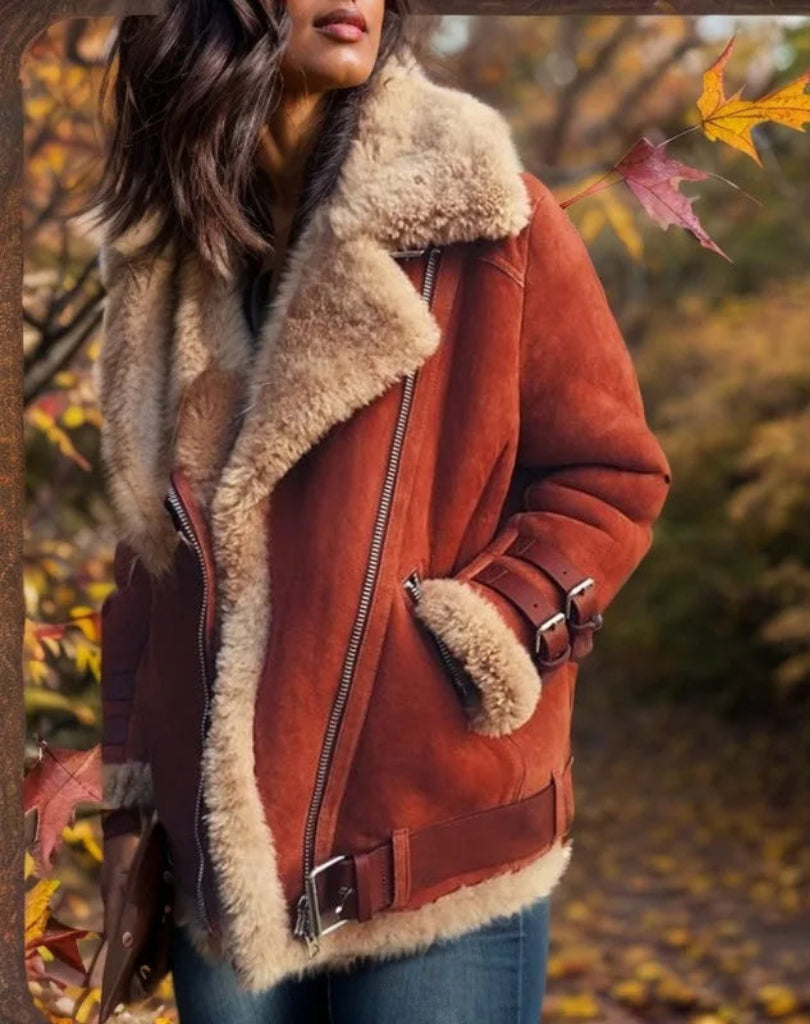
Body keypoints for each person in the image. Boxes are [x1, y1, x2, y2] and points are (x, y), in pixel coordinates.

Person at [79, 1, 673, 1021]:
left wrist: (492, 624)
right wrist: (131, 800)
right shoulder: (165, 266)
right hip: (226, 859)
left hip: (438, 840)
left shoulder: (488, 218)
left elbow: (610, 475)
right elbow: (151, 564)